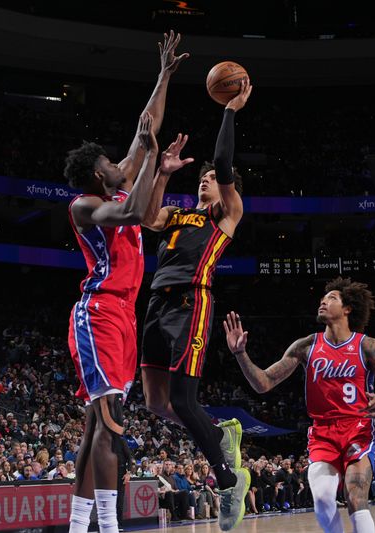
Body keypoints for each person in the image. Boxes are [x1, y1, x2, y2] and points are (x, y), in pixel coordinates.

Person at [62, 30, 190, 530]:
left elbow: (143, 131)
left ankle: (78, 526)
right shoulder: (87, 206)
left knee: (98, 424)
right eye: (110, 165)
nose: (119, 164)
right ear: (98, 177)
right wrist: (155, 170)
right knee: (110, 424)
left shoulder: (111, 184)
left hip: (120, 314)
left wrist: (162, 77)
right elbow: (138, 209)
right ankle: (109, 527)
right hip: (99, 314)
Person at [140, 78, 253, 532]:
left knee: (184, 402)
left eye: (210, 179)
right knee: (154, 402)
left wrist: (231, 109)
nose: (205, 181)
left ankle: (229, 482)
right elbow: (147, 216)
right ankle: (222, 429)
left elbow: (224, 160)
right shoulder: (178, 215)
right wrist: (163, 171)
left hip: (193, 302)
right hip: (155, 305)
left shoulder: (226, 213)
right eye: (202, 179)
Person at [225, 277, 375, 533]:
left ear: (347, 309)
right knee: (321, 500)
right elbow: (263, 383)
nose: (323, 301)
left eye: (332, 298)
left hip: (358, 428)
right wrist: (240, 355)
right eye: (323, 297)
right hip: (322, 432)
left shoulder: (368, 346)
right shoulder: (306, 346)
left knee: (355, 498)